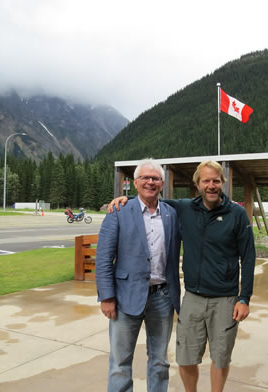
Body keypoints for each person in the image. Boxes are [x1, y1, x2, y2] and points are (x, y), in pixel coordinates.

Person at [109, 160, 256, 392]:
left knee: (220, 356)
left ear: (223, 183)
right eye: (206, 180)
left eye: (216, 181)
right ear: (197, 183)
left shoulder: (236, 213)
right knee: (186, 356)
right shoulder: (185, 208)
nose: (211, 185)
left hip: (226, 298)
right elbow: (151, 198)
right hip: (193, 298)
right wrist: (125, 199)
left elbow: (248, 258)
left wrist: (244, 297)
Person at [96, 158, 181, 392]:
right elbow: (104, 258)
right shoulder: (118, 211)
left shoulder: (172, 214)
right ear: (134, 182)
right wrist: (107, 297)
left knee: (160, 361)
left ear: (162, 183)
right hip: (125, 298)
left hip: (162, 298)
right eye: (145, 177)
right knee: (120, 363)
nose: (150, 182)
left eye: (155, 178)